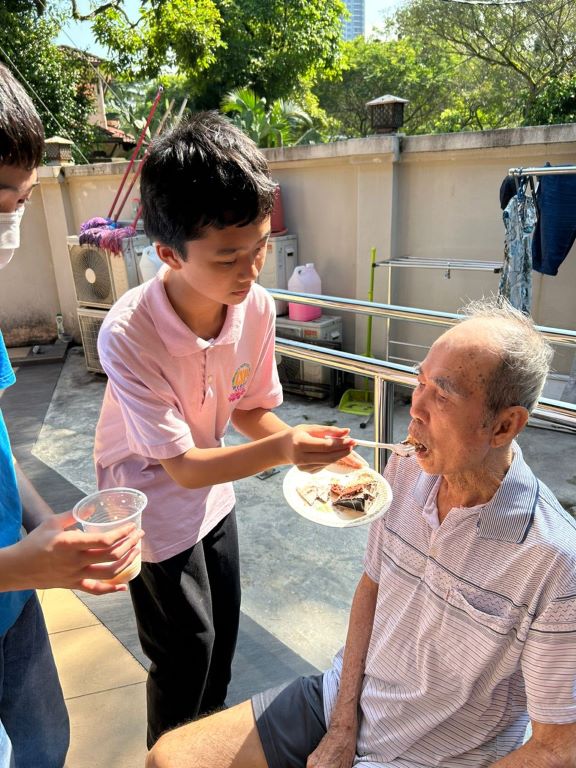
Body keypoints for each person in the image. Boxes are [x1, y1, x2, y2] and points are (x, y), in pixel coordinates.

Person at [146, 297, 576, 768]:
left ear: (505, 425)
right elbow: (371, 587)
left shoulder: (554, 561)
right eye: (420, 382)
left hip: (436, 757)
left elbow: (557, 747)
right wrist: (342, 724)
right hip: (342, 701)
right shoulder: (405, 471)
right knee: (168, 758)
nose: (416, 408)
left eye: (443, 395)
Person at [93, 112, 357, 749]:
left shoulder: (254, 307)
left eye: (260, 245)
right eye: (228, 256)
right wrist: (285, 449)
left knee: (223, 645)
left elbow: (248, 408)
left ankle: (204, 750)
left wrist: (310, 453)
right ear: (169, 253)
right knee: (186, 653)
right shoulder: (128, 335)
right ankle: (169, 756)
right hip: (150, 505)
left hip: (214, 492)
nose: (252, 269)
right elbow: (181, 466)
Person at [0, 63, 144, 767]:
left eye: (20, 203)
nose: (10, 226)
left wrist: (44, 524)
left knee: (45, 744)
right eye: (0, 200)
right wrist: (14, 567)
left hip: (15, 609)